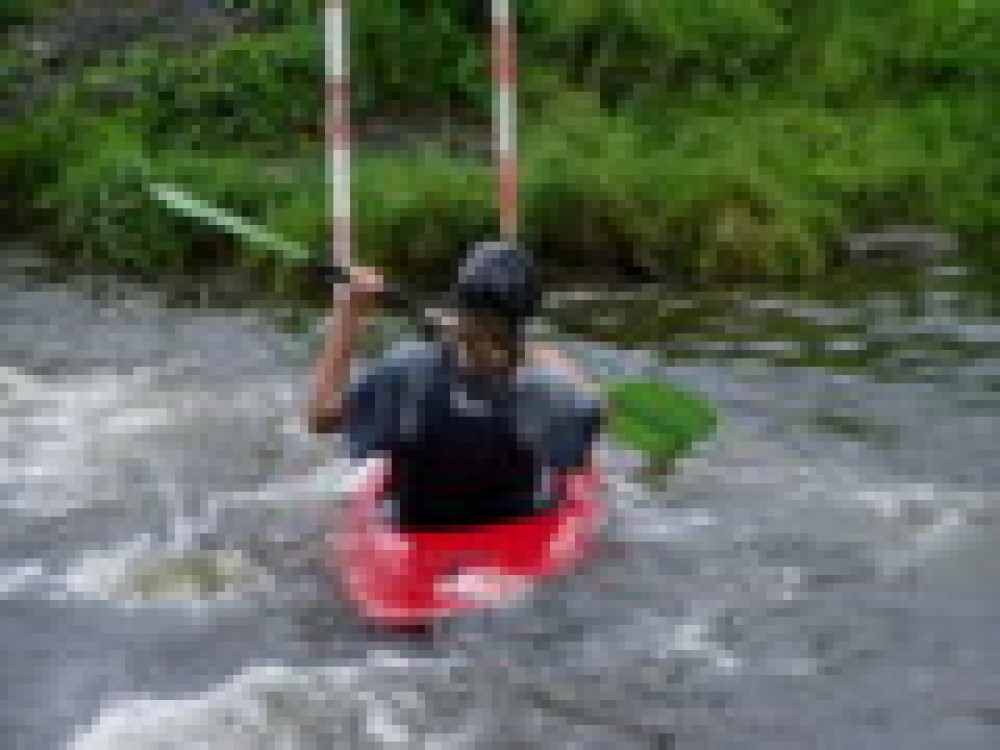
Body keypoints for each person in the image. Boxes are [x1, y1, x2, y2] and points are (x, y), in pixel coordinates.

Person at [306, 240, 605, 531]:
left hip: (429, 528)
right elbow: (594, 411)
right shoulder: (544, 383)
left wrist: (350, 314)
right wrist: (524, 354)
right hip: (502, 529)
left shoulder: (411, 370)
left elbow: (319, 415)